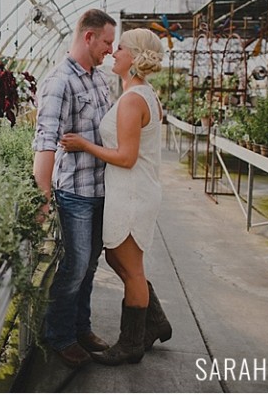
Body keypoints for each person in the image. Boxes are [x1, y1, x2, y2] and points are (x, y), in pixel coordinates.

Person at [60, 28, 172, 366]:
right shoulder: (141, 94)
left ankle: (131, 344)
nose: (114, 53)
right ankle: (154, 321)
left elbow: (126, 156)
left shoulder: (133, 99)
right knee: (118, 259)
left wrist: (84, 145)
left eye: (120, 48)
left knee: (132, 268)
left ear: (135, 57)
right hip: (132, 190)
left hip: (133, 192)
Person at [32, 8, 116, 368]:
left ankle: (82, 328)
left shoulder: (98, 78)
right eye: (107, 42)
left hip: (101, 190)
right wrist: (43, 197)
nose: (110, 50)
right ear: (89, 37)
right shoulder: (59, 81)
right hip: (75, 194)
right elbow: (46, 140)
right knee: (75, 265)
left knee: (91, 265)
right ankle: (60, 335)